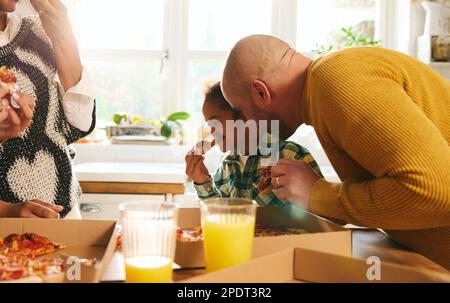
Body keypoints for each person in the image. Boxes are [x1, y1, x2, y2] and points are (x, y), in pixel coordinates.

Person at [221, 35, 450, 269]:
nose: (247, 121)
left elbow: (437, 190)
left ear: (261, 92)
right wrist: (317, 198)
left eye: (241, 111)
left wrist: (317, 193)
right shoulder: (323, 90)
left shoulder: (335, 80)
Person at [0, 0, 96, 219]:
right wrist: (7, 211)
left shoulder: (38, 31)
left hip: (61, 215)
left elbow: (78, 125)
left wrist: (63, 35)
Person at [185, 81, 322, 207]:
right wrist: (202, 182)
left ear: (245, 115)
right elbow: (220, 218)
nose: (213, 132)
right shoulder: (227, 167)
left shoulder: (289, 154)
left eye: (215, 122)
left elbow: (327, 215)